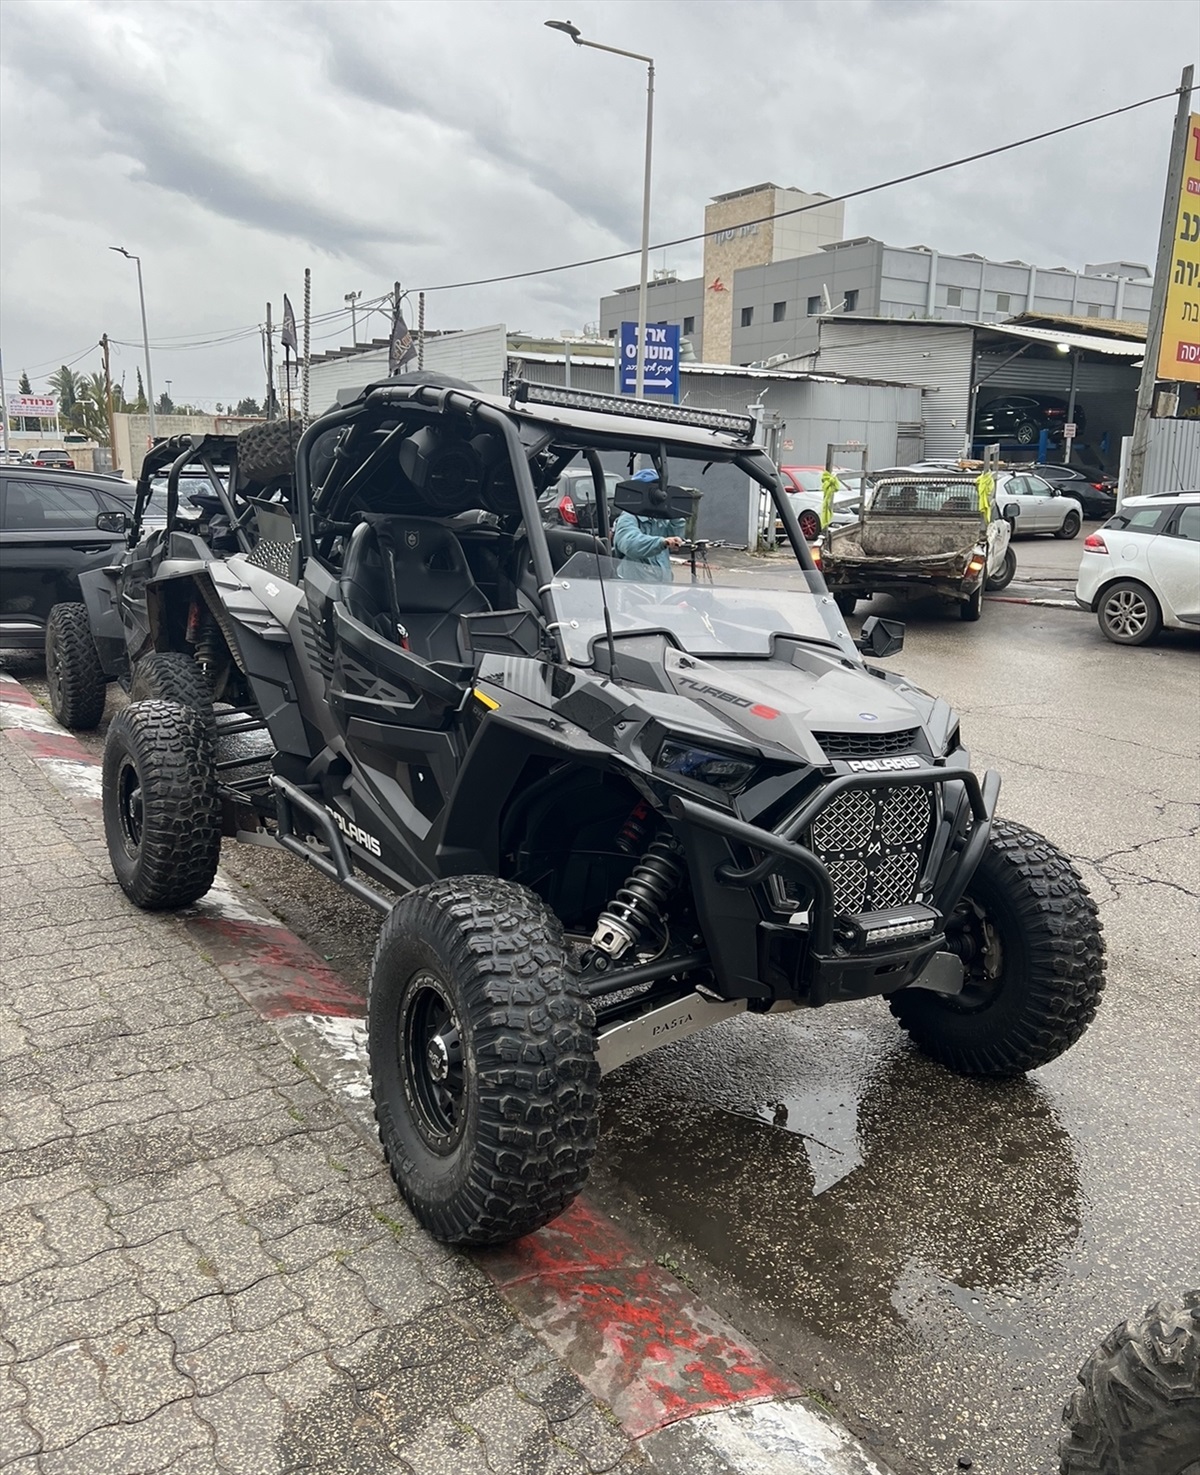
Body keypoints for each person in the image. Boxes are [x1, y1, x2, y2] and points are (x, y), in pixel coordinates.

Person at [612, 469, 687, 582]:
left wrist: (674, 512)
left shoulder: (659, 519)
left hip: (662, 587)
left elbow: (676, 537)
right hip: (635, 588)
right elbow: (630, 544)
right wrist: (661, 542)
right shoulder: (628, 517)